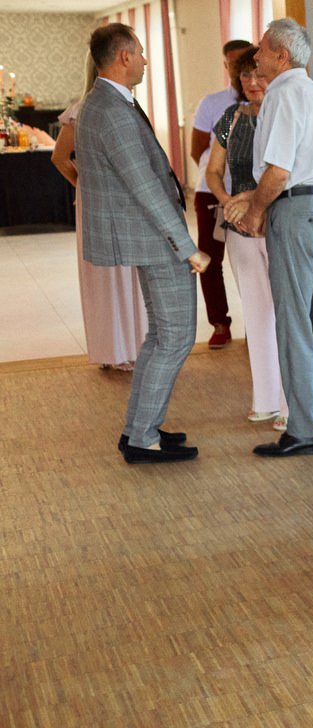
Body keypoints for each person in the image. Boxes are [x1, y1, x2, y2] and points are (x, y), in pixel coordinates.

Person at [74, 23, 211, 463]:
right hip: (154, 238)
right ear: (124, 57)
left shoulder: (105, 101)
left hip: (147, 235)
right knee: (176, 337)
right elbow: (144, 186)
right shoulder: (110, 109)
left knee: (162, 336)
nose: (146, 61)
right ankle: (142, 438)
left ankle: (139, 429)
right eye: (142, 52)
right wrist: (186, 246)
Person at [223, 18, 313, 458]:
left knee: (293, 320)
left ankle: (303, 430)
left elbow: (279, 172)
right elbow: (304, 167)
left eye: (262, 49)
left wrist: (255, 212)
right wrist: (253, 195)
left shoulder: (281, 95)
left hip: (296, 215)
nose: (255, 56)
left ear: (281, 56)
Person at [204, 50, 288, 431]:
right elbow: (213, 171)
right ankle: (266, 399)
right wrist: (227, 202)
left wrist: (254, 202)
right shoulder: (231, 118)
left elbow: (286, 172)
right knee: (256, 315)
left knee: (289, 314)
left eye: (259, 75)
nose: (252, 83)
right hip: (239, 227)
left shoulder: (282, 113)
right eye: (245, 77)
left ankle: (296, 402)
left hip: (278, 223)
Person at [50, 55, 149, 372]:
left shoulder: (130, 105)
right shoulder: (83, 109)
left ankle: (138, 346)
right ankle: (113, 350)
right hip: (100, 206)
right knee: (107, 276)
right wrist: (85, 186)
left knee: (134, 275)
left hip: (131, 203)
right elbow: (60, 158)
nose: (144, 61)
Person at [188, 39, 255, 350]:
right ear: (226, 66)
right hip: (213, 194)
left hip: (249, 195)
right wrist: (219, 185)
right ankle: (219, 322)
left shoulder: (264, 103)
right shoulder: (215, 105)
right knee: (209, 259)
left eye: (246, 63)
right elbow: (197, 150)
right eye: (234, 64)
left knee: (250, 261)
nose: (240, 71)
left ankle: (256, 324)